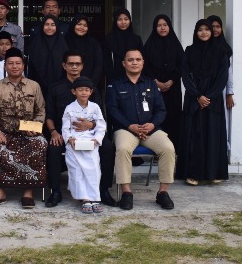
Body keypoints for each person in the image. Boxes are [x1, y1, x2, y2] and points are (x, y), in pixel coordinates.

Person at [44, 50, 117, 208]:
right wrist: (54, 132)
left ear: (82, 66)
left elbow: (101, 117)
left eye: (78, 64)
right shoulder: (56, 88)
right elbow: (48, 114)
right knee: (53, 149)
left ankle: (103, 190)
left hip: (91, 132)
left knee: (108, 147)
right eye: (71, 63)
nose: (74, 66)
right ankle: (55, 191)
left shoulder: (92, 88)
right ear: (64, 65)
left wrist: (91, 125)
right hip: (63, 133)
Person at [106, 49, 176, 210]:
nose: (134, 62)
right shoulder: (115, 84)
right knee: (123, 149)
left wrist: (152, 124)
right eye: (130, 60)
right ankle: (126, 192)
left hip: (150, 129)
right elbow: (112, 109)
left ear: (143, 62)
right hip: (125, 129)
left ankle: (163, 193)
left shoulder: (151, 83)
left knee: (168, 148)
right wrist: (129, 126)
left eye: (138, 59)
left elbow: (161, 110)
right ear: (124, 63)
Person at [0, 48, 47, 209]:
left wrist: (35, 128)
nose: (14, 66)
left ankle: (28, 192)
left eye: (18, 63)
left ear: (23, 66)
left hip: (28, 133)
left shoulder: (34, 86)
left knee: (39, 144)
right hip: (3, 132)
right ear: (5, 66)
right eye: (11, 63)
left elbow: (41, 110)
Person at [177, 19, 229, 186]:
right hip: (194, 100)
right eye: (200, 29)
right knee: (194, 136)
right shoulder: (189, 51)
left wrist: (209, 97)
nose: (204, 32)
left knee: (212, 136)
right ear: (196, 32)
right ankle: (193, 174)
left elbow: (223, 77)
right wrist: (198, 95)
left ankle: (213, 173)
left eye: (207, 29)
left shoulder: (221, 52)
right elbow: (185, 75)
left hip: (213, 100)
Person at [61, 76, 107, 214]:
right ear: (74, 91)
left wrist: (96, 140)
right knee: (77, 172)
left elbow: (101, 126)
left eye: (87, 90)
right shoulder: (69, 108)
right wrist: (70, 139)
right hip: (75, 143)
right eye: (80, 90)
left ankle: (95, 198)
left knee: (93, 170)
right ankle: (85, 199)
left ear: (91, 92)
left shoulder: (95, 107)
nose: (84, 93)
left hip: (90, 143)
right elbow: (65, 128)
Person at [142, 14, 184, 147]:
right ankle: (156, 150)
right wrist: (156, 82)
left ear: (169, 27)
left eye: (165, 25)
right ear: (155, 28)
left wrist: (171, 81)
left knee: (174, 117)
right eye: (159, 25)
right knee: (156, 117)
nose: (162, 28)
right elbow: (145, 66)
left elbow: (182, 65)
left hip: (173, 88)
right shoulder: (149, 45)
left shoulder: (176, 44)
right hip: (154, 88)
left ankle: (174, 149)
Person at [27, 14, 68, 99]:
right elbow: (31, 67)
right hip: (38, 86)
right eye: (46, 24)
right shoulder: (35, 43)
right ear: (42, 26)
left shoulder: (63, 44)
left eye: (53, 25)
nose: (49, 27)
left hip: (59, 85)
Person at [103, 9, 143, 84]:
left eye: (126, 19)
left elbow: (141, 59)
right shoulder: (109, 39)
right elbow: (106, 61)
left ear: (130, 21)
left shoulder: (136, 39)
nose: (123, 22)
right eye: (120, 19)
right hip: (114, 79)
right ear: (115, 21)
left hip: (134, 78)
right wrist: (111, 77)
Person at [65, 14, 103, 87]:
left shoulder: (93, 44)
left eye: (85, 25)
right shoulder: (65, 42)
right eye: (79, 24)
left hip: (89, 87)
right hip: (67, 85)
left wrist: (90, 85)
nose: (82, 27)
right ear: (73, 25)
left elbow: (98, 66)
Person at [207, 15, 235, 111]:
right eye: (212, 26)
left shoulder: (225, 49)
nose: (215, 29)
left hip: (220, 90)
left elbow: (229, 72)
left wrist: (229, 94)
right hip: (204, 91)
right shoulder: (201, 48)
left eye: (218, 26)